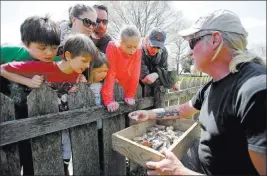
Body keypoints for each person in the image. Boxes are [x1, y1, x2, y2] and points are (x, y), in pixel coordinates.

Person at [128, 9, 266, 175]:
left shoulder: (256, 90)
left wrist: (179, 172)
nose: (189, 52)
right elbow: (182, 110)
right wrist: (148, 115)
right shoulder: (214, 84)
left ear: (215, 40)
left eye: (192, 42)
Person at [1, 33, 99, 176]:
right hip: (39, 127)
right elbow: (2, 69)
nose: (87, 66)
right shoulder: (43, 67)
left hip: (63, 129)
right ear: (68, 55)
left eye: (90, 62)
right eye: (84, 60)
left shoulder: (77, 74)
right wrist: (28, 82)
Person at [0, 15, 62, 175]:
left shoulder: (55, 59)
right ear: (27, 44)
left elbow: (69, 68)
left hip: (35, 117)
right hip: (7, 115)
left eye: (54, 47)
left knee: (31, 161)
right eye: (42, 48)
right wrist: (25, 81)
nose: (49, 53)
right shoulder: (10, 52)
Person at [101, 25, 142, 112]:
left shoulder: (138, 51)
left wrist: (130, 94)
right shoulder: (112, 47)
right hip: (112, 86)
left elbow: (136, 73)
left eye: (135, 46)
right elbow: (111, 72)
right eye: (129, 46)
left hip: (127, 85)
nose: (132, 51)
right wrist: (109, 99)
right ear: (120, 42)